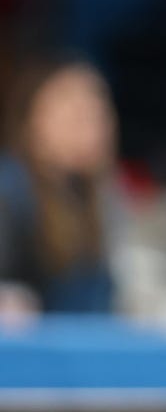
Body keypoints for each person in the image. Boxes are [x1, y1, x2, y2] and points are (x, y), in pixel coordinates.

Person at [0, 54, 120, 313]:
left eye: (97, 114)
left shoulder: (96, 197)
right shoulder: (11, 190)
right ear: (31, 120)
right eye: (75, 113)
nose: (89, 126)